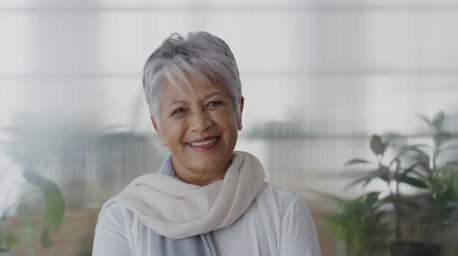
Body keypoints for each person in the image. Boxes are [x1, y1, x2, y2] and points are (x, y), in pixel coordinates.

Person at [92, 31, 321, 256]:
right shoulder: (124, 219)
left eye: (213, 103)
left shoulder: (284, 211)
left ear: (239, 110)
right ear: (158, 128)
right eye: (179, 110)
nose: (200, 124)